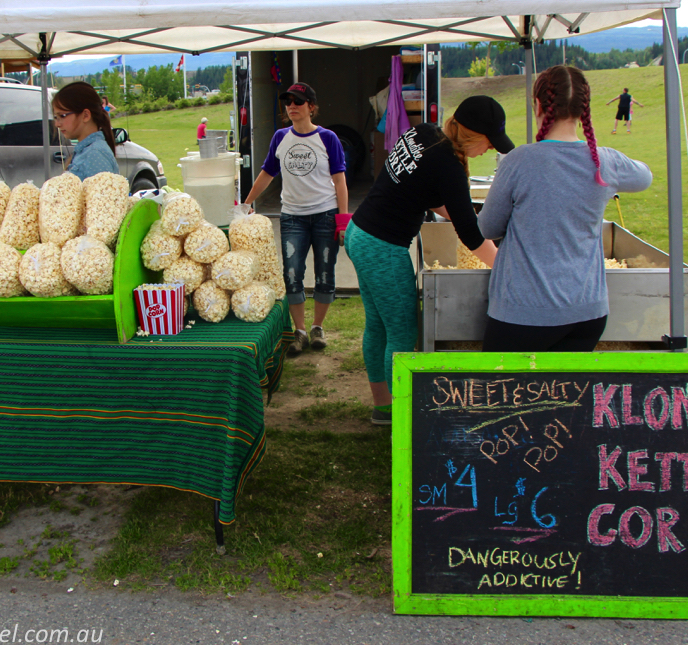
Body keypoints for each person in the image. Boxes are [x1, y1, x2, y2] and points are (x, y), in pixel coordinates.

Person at [344, 96, 512, 425]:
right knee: (403, 333)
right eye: (489, 143)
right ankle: (404, 417)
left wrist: (469, 216)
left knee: (378, 326)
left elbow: (428, 195)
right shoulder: (448, 164)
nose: (489, 150)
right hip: (382, 247)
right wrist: (506, 267)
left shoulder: (425, 133)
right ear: (473, 135)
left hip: (359, 232)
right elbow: (471, 235)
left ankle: (385, 409)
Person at [479, 66, 653, 353]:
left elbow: (487, 228)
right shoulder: (604, 161)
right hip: (587, 312)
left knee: (503, 394)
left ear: (537, 104)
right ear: (584, 109)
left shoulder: (518, 161)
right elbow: (644, 176)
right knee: (566, 396)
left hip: (523, 313)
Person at [242, 82, 347, 356]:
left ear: (311, 107)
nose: (291, 106)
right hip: (292, 218)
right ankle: (299, 331)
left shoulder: (328, 138)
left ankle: (317, 328)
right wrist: (246, 202)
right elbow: (267, 173)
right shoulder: (280, 137)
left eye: (298, 102)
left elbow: (340, 181)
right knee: (291, 274)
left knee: (325, 273)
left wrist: (342, 221)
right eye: (288, 102)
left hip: (325, 215)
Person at [52, 82, 119, 181]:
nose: (57, 124)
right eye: (55, 117)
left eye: (62, 116)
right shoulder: (86, 151)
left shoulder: (95, 154)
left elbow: (102, 196)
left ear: (86, 115)